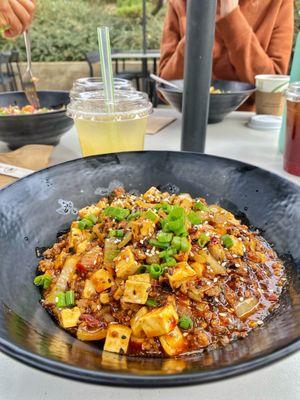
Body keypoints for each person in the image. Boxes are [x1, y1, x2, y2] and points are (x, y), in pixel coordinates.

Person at [159, 0, 294, 85]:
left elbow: (273, 88)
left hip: (249, 123)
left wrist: (231, 18)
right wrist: (199, 25)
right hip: (189, 120)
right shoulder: (178, 3)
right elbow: (164, 85)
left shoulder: (278, 3)